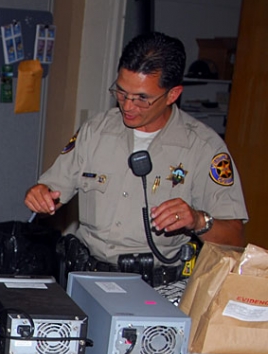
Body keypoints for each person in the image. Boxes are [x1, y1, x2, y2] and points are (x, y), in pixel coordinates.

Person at [24, 31, 246, 282]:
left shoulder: (203, 147)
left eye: (142, 98)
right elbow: (51, 193)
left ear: (173, 95)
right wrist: (40, 194)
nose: (127, 106)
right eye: (121, 92)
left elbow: (235, 238)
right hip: (85, 277)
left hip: (155, 287)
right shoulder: (96, 130)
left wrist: (197, 220)